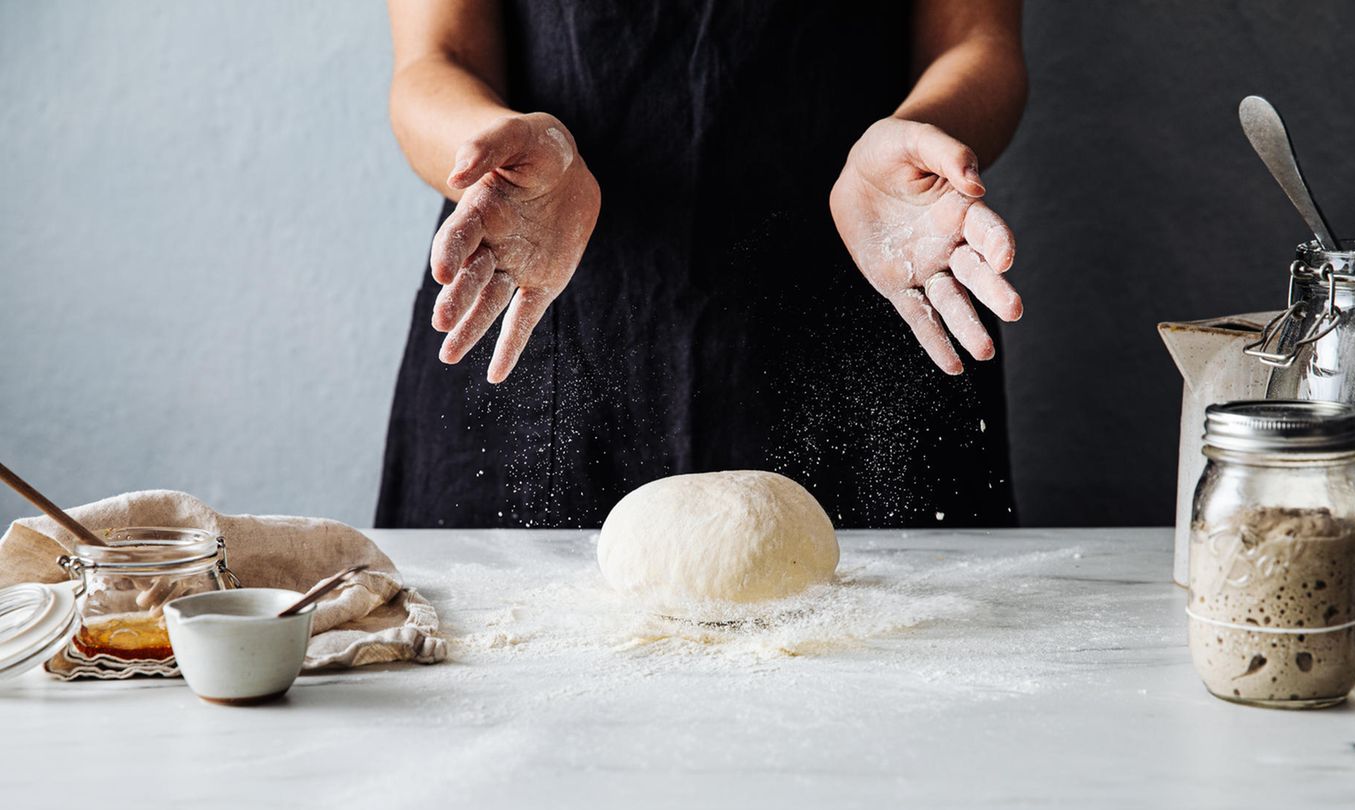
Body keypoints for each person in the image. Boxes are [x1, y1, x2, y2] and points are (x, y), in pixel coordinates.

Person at [376, 0, 1028, 529]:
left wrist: (923, 131)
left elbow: (975, 41)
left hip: (874, 291)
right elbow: (436, 60)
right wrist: (488, 150)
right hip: (543, 304)